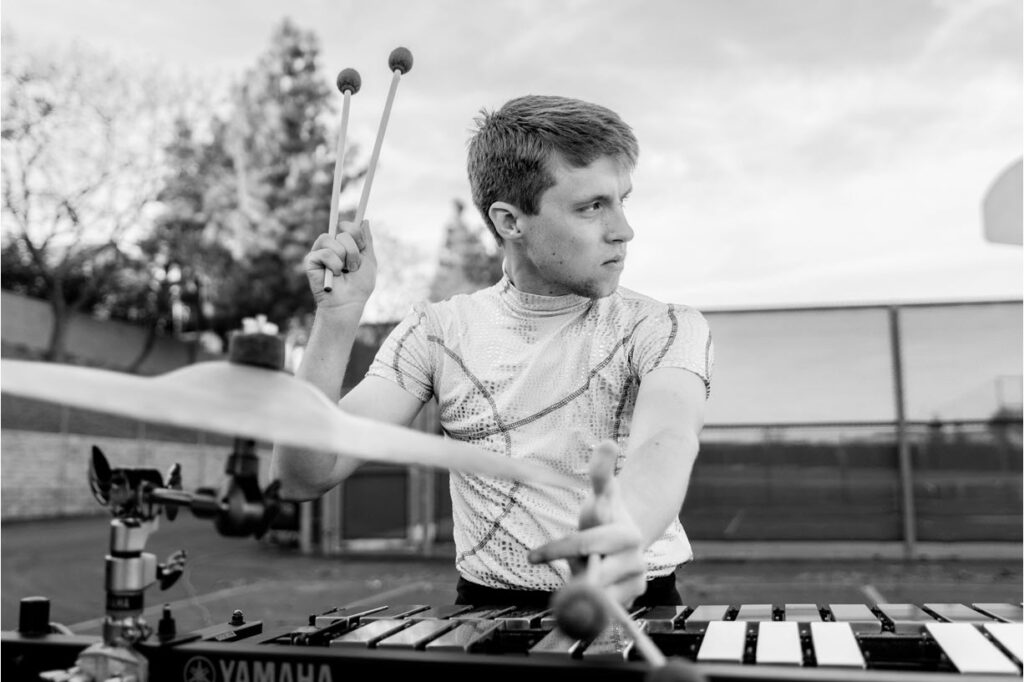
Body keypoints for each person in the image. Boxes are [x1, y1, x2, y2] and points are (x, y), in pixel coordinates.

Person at [271, 95, 713, 610]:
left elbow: (668, 437)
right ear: (510, 221)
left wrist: (625, 530)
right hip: (488, 618)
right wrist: (336, 319)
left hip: (641, 600)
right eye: (592, 206)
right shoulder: (436, 332)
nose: (623, 229)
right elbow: (305, 475)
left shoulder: (663, 325)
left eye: (621, 201)